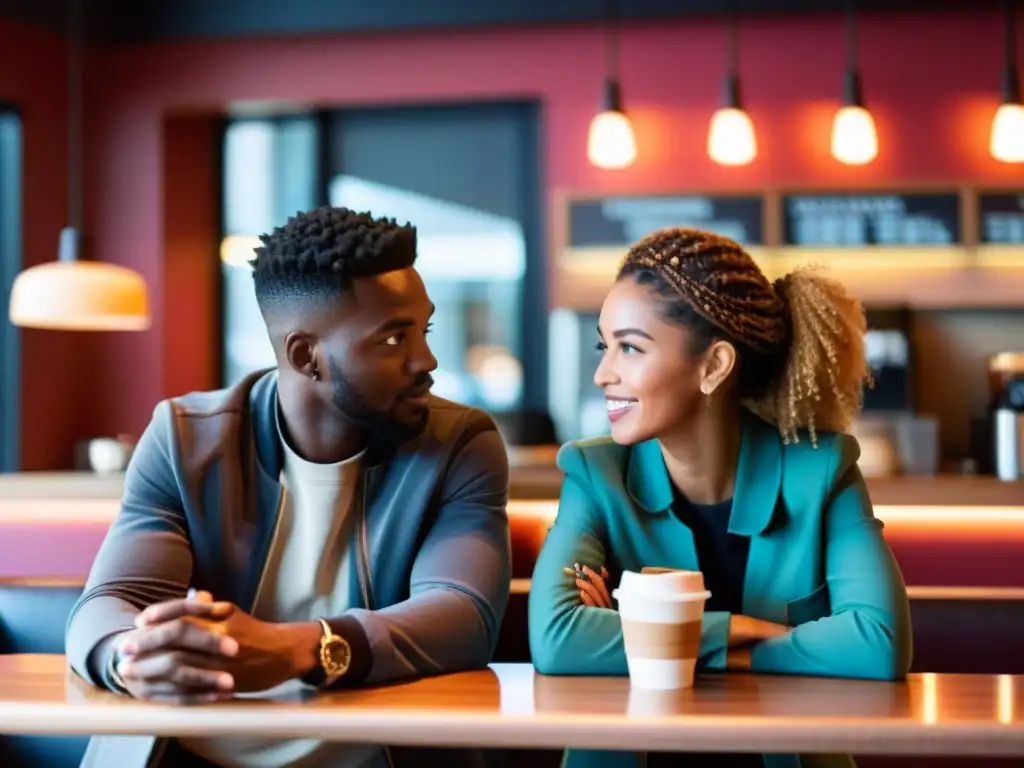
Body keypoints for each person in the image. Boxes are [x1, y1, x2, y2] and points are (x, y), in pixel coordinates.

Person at [66, 207, 512, 768]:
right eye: (394, 339)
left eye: (422, 329)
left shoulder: (459, 444)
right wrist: (130, 657)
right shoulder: (186, 438)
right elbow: (108, 602)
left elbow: (463, 614)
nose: (427, 360)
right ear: (306, 356)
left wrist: (298, 648)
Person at [528, 228, 913, 768]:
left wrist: (647, 639)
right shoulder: (595, 472)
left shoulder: (824, 470)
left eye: (630, 348)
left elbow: (879, 643)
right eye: (604, 344)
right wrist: (747, 631)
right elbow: (557, 638)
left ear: (714, 366)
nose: (602, 373)